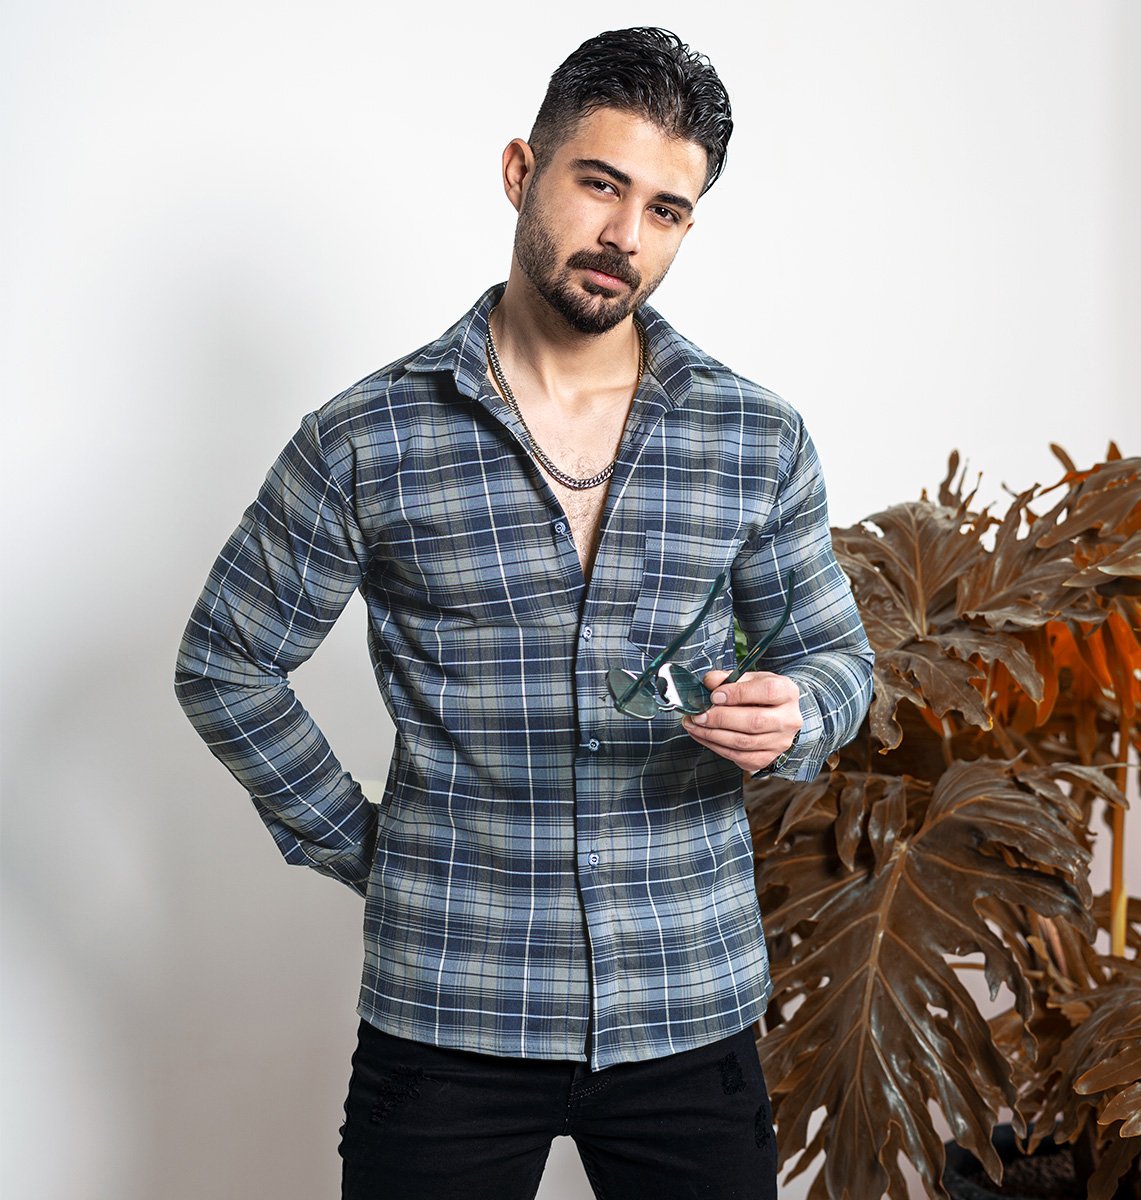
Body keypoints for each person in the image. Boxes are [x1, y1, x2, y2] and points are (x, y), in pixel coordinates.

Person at [175, 26, 874, 1200]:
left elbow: (837, 657)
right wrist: (366, 844)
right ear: (522, 171)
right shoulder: (368, 437)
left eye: (666, 209)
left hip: (687, 1001)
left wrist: (798, 711)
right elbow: (226, 662)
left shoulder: (755, 436)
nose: (625, 234)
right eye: (600, 184)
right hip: (451, 1006)